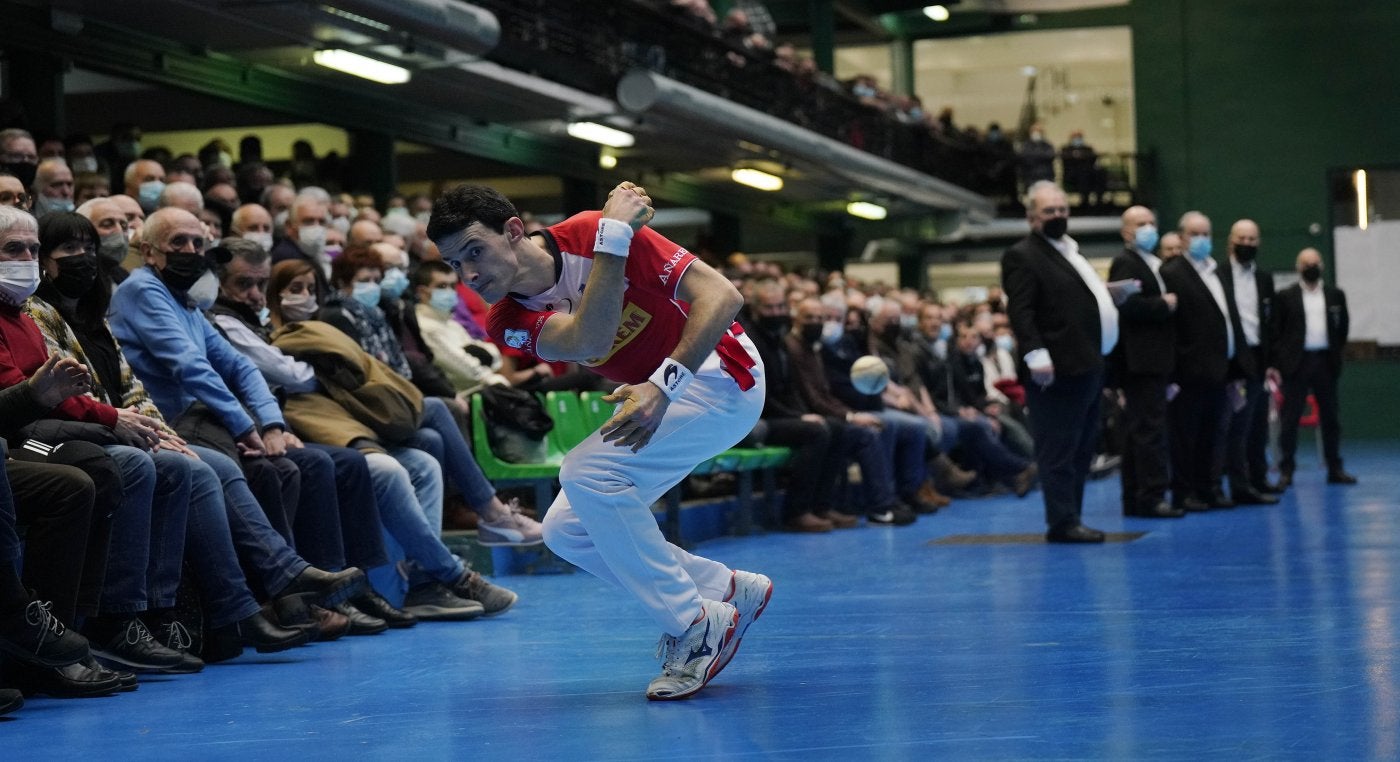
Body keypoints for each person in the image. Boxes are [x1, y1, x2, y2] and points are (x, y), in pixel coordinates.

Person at [428, 181, 772, 701]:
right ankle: (723, 588)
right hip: (658, 395)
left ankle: (694, 626)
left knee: (587, 473)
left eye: (474, 251)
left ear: (514, 231)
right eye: (455, 264)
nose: (468, 274)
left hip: (721, 377)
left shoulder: (587, 232)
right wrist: (614, 238)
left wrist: (664, 384)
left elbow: (723, 296)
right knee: (565, 529)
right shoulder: (509, 319)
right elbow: (589, 339)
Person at [1000, 181, 1120, 543]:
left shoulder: (1071, 252)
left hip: (1088, 364)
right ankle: (1062, 522)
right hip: (1054, 369)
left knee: (1082, 447)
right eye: (1049, 211)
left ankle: (1073, 515)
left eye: (1062, 210)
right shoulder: (1022, 255)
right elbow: (1021, 310)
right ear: (1032, 217)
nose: (1058, 216)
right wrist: (1036, 354)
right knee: (1058, 449)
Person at [1160, 211, 1251, 512]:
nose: (1201, 240)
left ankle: (1209, 487)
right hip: (1189, 371)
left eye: (1206, 234)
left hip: (1220, 369)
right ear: (1183, 237)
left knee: (1215, 433)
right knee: (1187, 436)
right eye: (1195, 234)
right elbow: (1171, 327)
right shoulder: (1173, 273)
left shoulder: (1217, 271)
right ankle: (1184, 492)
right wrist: (1173, 371)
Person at [1108, 206, 1182, 518]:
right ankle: (1150, 497)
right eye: (1141, 224)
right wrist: (1162, 304)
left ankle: (1137, 497)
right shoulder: (1126, 262)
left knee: (1140, 430)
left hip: (1151, 360)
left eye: (1152, 222)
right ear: (1126, 231)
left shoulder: (1149, 263)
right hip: (1140, 362)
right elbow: (1127, 305)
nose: (1148, 228)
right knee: (1147, 431)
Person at [1272, 248, 1355, 487]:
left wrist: (1335, 352)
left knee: (1330, 418)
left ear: (1322, 266)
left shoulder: (1335, 294)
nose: (1311, 266)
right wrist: (1280, 362)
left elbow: (1343, 327)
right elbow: (1277, 330)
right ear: (1298, 267)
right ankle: (1286, 470)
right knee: (1290, 419)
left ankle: (1335, 468)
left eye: (1315, 262)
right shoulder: (1285, 296)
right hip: (1296, 364)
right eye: (1306, 263)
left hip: (1325, 362)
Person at [1218, 219, 1282, 502]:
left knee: (1258, 424)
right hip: (1232, 359)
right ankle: (1239, 485)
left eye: (1252, 239)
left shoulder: (1264, 279)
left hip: (1259, 358)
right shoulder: (1218, 275)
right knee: (1236, 426)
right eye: (1242, 239)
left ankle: (1259, 478)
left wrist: (1271, 361)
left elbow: (1270, 323)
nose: (1247, 244)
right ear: (1231, 241)